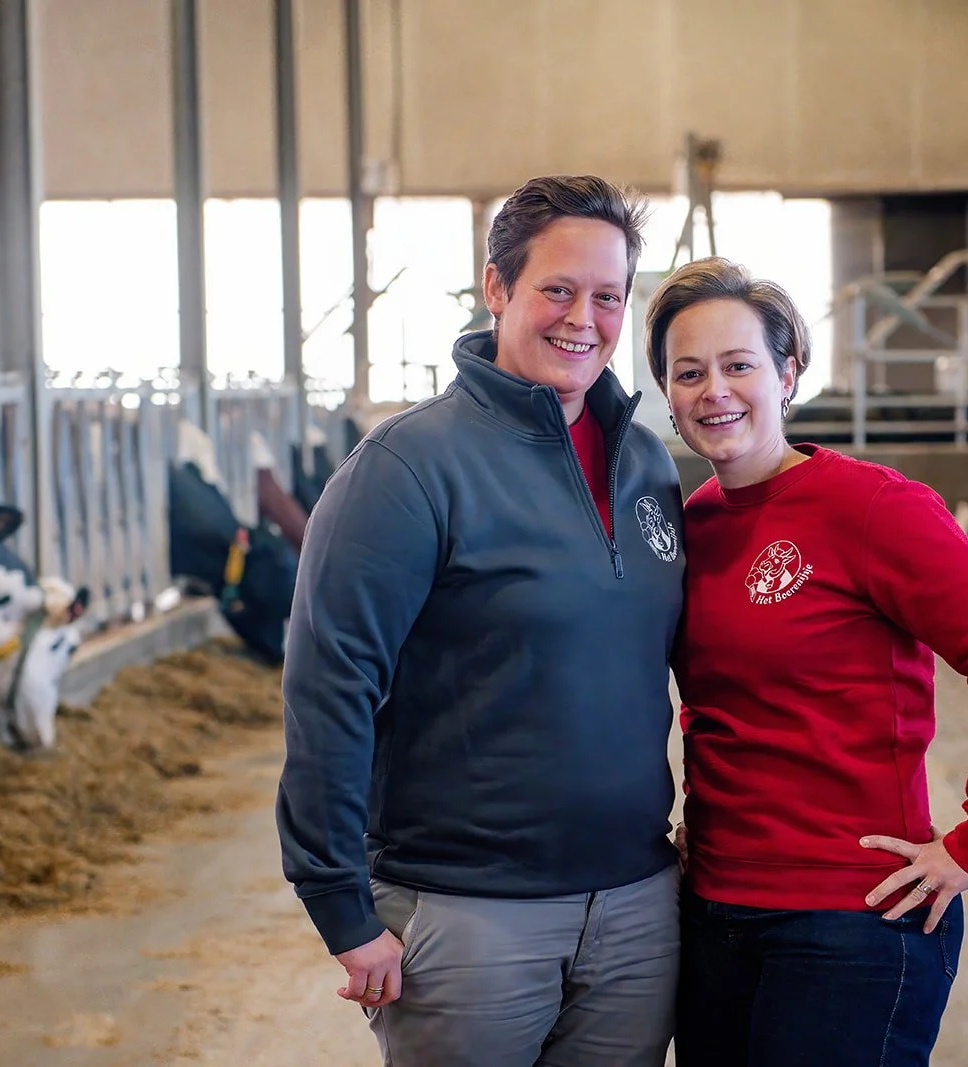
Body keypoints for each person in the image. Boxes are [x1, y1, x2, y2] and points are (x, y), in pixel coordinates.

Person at [275, 175, 687, 1067]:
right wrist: (339, 903)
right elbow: (330, 687)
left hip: (636, 909)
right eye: (557, 289)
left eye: (608, 297)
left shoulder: (648, 463)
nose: (585, 318)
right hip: (467, 913)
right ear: (497, 288)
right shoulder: (408, 465)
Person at [648, 257, 968, 1066]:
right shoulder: (689, 522)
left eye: (739, 365)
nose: (713, 391)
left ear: (788, 371)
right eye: (688, 372)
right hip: (716, 914)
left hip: (852, 919)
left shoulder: (872, 507)